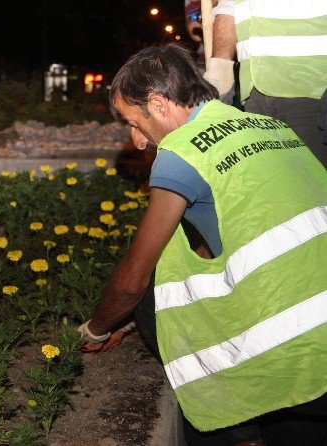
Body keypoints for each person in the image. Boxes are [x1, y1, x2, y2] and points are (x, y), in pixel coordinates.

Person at [79, 45, 327, 445]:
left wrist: (96, 328)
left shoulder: (182, 150)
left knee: (152, 292)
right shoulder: (266, 126)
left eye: (134, 122)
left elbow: (132, 280)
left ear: (158, 105)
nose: (138, 141)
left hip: (297, 345)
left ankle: (240, 433)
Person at [204, 0, 327, 167]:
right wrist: (220, 67)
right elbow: (228, 9)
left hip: (310, 85)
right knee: (275, 178)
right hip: (253, 90)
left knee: (316, 179)